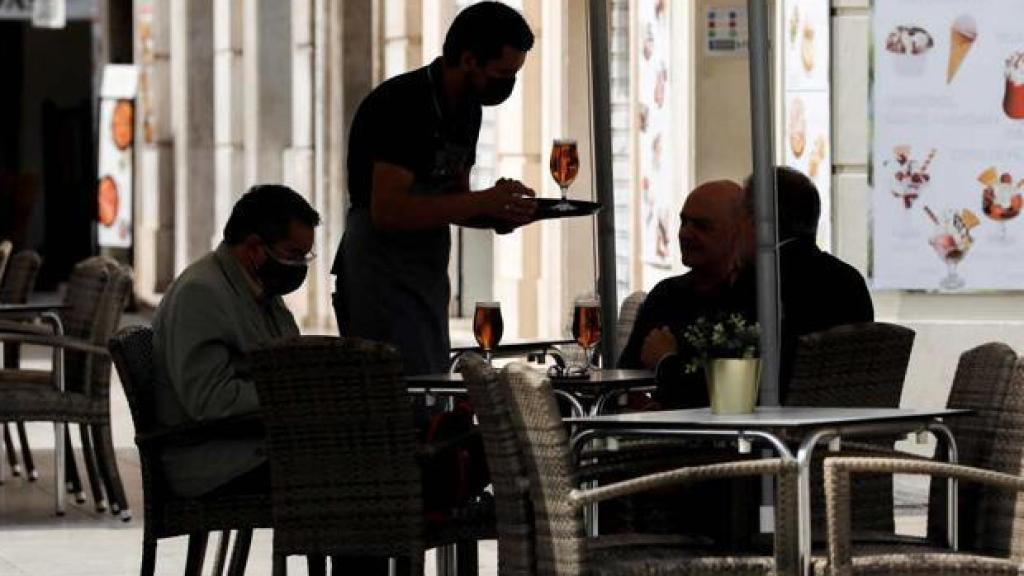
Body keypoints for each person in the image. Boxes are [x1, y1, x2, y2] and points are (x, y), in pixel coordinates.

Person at [332, 1, 538, 376]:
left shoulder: (468, 109)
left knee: (432, 381)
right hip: (380, 268)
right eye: (502, 73)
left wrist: (497, 212)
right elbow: (389, 210)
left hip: (427, 268)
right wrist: (481, 201)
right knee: (395, 388)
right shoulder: (401, 104)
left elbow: (452, 201)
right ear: (469, 59)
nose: (507, 84)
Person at [152, 184, 319, 497]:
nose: (300, 267)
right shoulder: (201, 293)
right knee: (348, 468)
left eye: (306, 256)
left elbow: (288, 357)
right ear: (254, 247)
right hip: (212, 462)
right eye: (294, 255)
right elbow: (210, 399)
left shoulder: (260, 289)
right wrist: (292, 396)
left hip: (250, 443)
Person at [618, 180, 757, 408]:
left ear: (737, 232)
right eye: (684, 222)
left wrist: (666, 362)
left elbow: (725, 394)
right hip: (657, 435)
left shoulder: (754, 297)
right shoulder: (667, 295)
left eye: (702, 226)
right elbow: (624, 381)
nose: (685, 233)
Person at [744, 166, 874, 400]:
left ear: (756, 222)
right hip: (844, 422)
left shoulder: (761, 282)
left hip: (775, 425)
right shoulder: (849, 279)